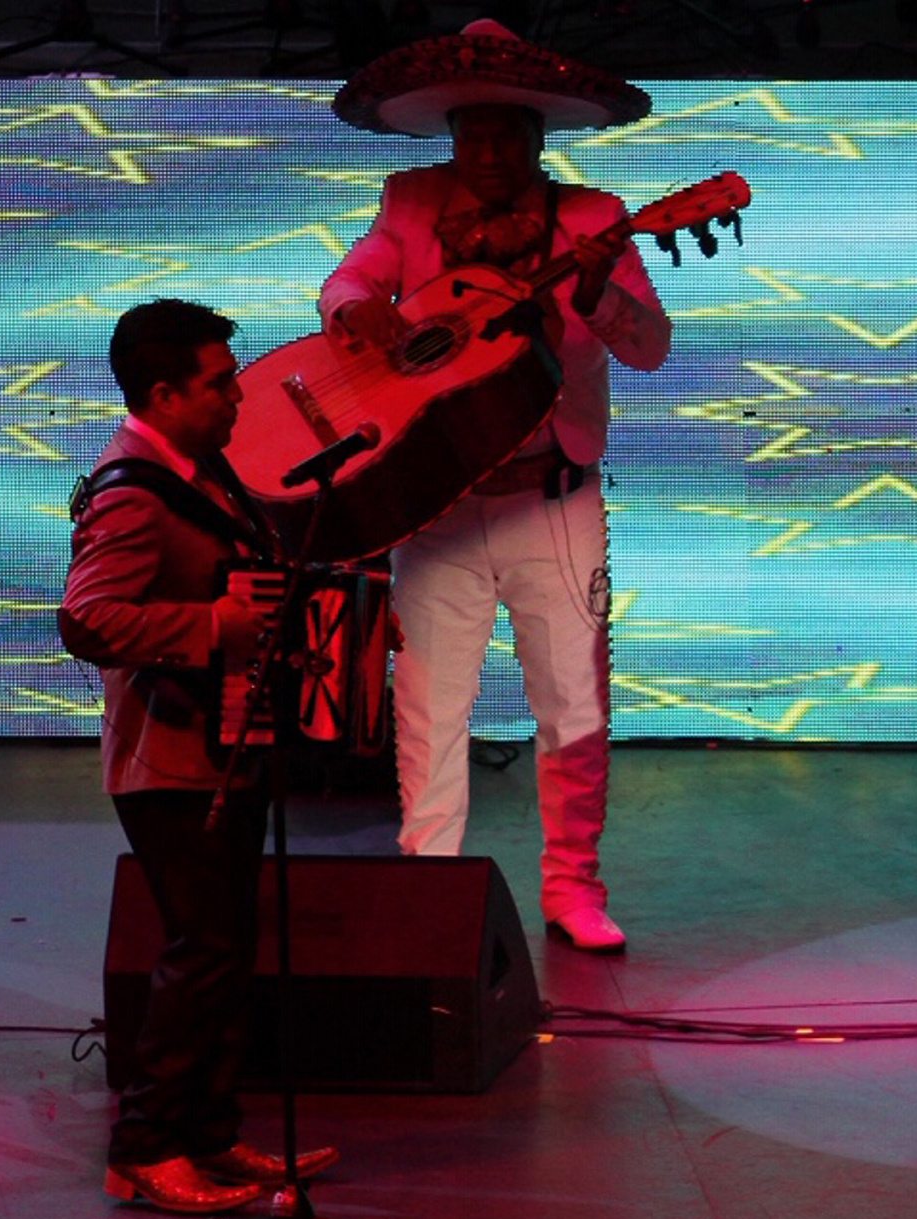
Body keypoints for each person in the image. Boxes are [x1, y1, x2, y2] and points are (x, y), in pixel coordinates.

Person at [320, 20, 670, 953]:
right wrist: (360, 313)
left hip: (553, 496)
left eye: (506, 136)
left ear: (537, 140)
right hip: (436, 501)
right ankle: (429, 877)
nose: (486, 153)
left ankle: (573, 888)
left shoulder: (595, 219)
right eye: (471, 135)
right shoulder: (411, 201)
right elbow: (349, 279)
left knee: (573, 702)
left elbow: (649, 347)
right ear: (450, 136)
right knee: (431, 704)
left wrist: (595, 296)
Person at [60, 298, 338, 1213]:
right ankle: (143, 1149)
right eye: (220, 384)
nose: (238, 396)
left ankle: (208, 1135)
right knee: (200, 951)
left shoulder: (197, 466)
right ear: (165, 392)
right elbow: (89, 619)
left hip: (222, 748)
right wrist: (210, 628)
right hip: (168, 760)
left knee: (226, 950)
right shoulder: (134, 490)